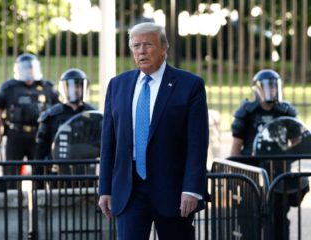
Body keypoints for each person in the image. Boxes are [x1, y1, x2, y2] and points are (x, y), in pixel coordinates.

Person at [98, 22, 209, 239]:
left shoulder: (189, 85)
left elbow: (197, 143)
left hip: (174, 191)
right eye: (136, 46)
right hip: (129, 190)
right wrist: (105, 189)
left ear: (164, 48)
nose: (141, 51)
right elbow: (108, 142)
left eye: (148, 44)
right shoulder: (117, 85)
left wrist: (192, 189)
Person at [230, 69, 304, 240]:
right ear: (258, 89)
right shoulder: (247, 112)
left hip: (278, 171)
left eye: (274, 86)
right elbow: (236, 147)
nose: (271, 90)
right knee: (250, 218)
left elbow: (297, 140)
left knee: (279, 217)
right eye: (267, 86)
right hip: (252, 171)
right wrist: (234, 174)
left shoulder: (285, 111)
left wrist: (286, 157)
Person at [0, 53, 59, 176]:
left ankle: (37, 194)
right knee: (11, 173)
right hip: (15, 135)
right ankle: (12, 194)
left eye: (31, 68)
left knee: (39, 171)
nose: (29, 72)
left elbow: (57, 108)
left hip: (38, 135)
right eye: (25, 69)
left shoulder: (46, 87)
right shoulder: (9, 88)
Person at [34, 68, 96, 175]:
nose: (75, 90)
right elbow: (40, 151)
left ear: (83, 88)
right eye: (71, 87)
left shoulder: (93, 115)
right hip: (59, 173)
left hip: (86, 172)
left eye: (78, 86)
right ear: (64, 89)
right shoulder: (52, 116)